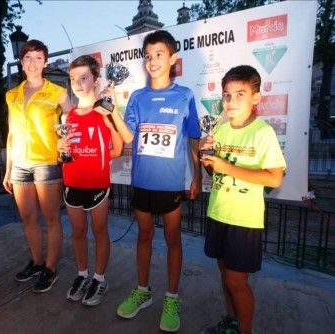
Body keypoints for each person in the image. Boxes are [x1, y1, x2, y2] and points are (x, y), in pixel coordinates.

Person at [111, 30, 202, 332]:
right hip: (142, 181)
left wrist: (197, 175)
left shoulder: (185, 95)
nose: (152, 61)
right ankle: (142, 291)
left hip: (171, 184)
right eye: (148, 56)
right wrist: (112, 111)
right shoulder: (137, 97)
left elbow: (193, 139)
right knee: (144, 237)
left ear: (173, 58)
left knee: (173, 240)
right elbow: (128, 137)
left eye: (159, 54)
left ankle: (172, 297)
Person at [200, 65, 286, 334]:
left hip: (244, 221)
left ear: (256, 98)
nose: (231, 101)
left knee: (237, 282)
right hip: (218, 213)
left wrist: (228, 168)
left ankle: (244, 331)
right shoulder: (221, 130)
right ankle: (231, 321)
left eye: (240, 94)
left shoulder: (263, 133)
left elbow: (274, 178)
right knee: (225, 278)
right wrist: (205, 159)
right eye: (227, 95)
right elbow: (213, 172)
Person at [3, 39, 72, 293]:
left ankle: (51, 268)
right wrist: (8, 168)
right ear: (22, 63)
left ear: (45, 62)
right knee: (28, 218)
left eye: (38, 58)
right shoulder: (12, 94)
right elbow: (11, 132)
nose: (33, 63)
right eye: (28, 58)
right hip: (20, 164)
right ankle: (37, 261)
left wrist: (65, 146)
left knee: (52, 219)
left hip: (46, 163)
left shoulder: (58, 92)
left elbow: (71, 124)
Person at [58, 55, 123, 306]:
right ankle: (82, 274)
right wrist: (60, 150)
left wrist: (99, 157)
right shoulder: (67, 117)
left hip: (97, 186)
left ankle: (99, 278)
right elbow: (65, 155)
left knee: (99, 232)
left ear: (96, 80)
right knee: (77, 233)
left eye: (84, 77)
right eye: (73, 78)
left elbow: (117, 149)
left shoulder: (104, 111)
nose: (77, 83)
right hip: (72, 184)